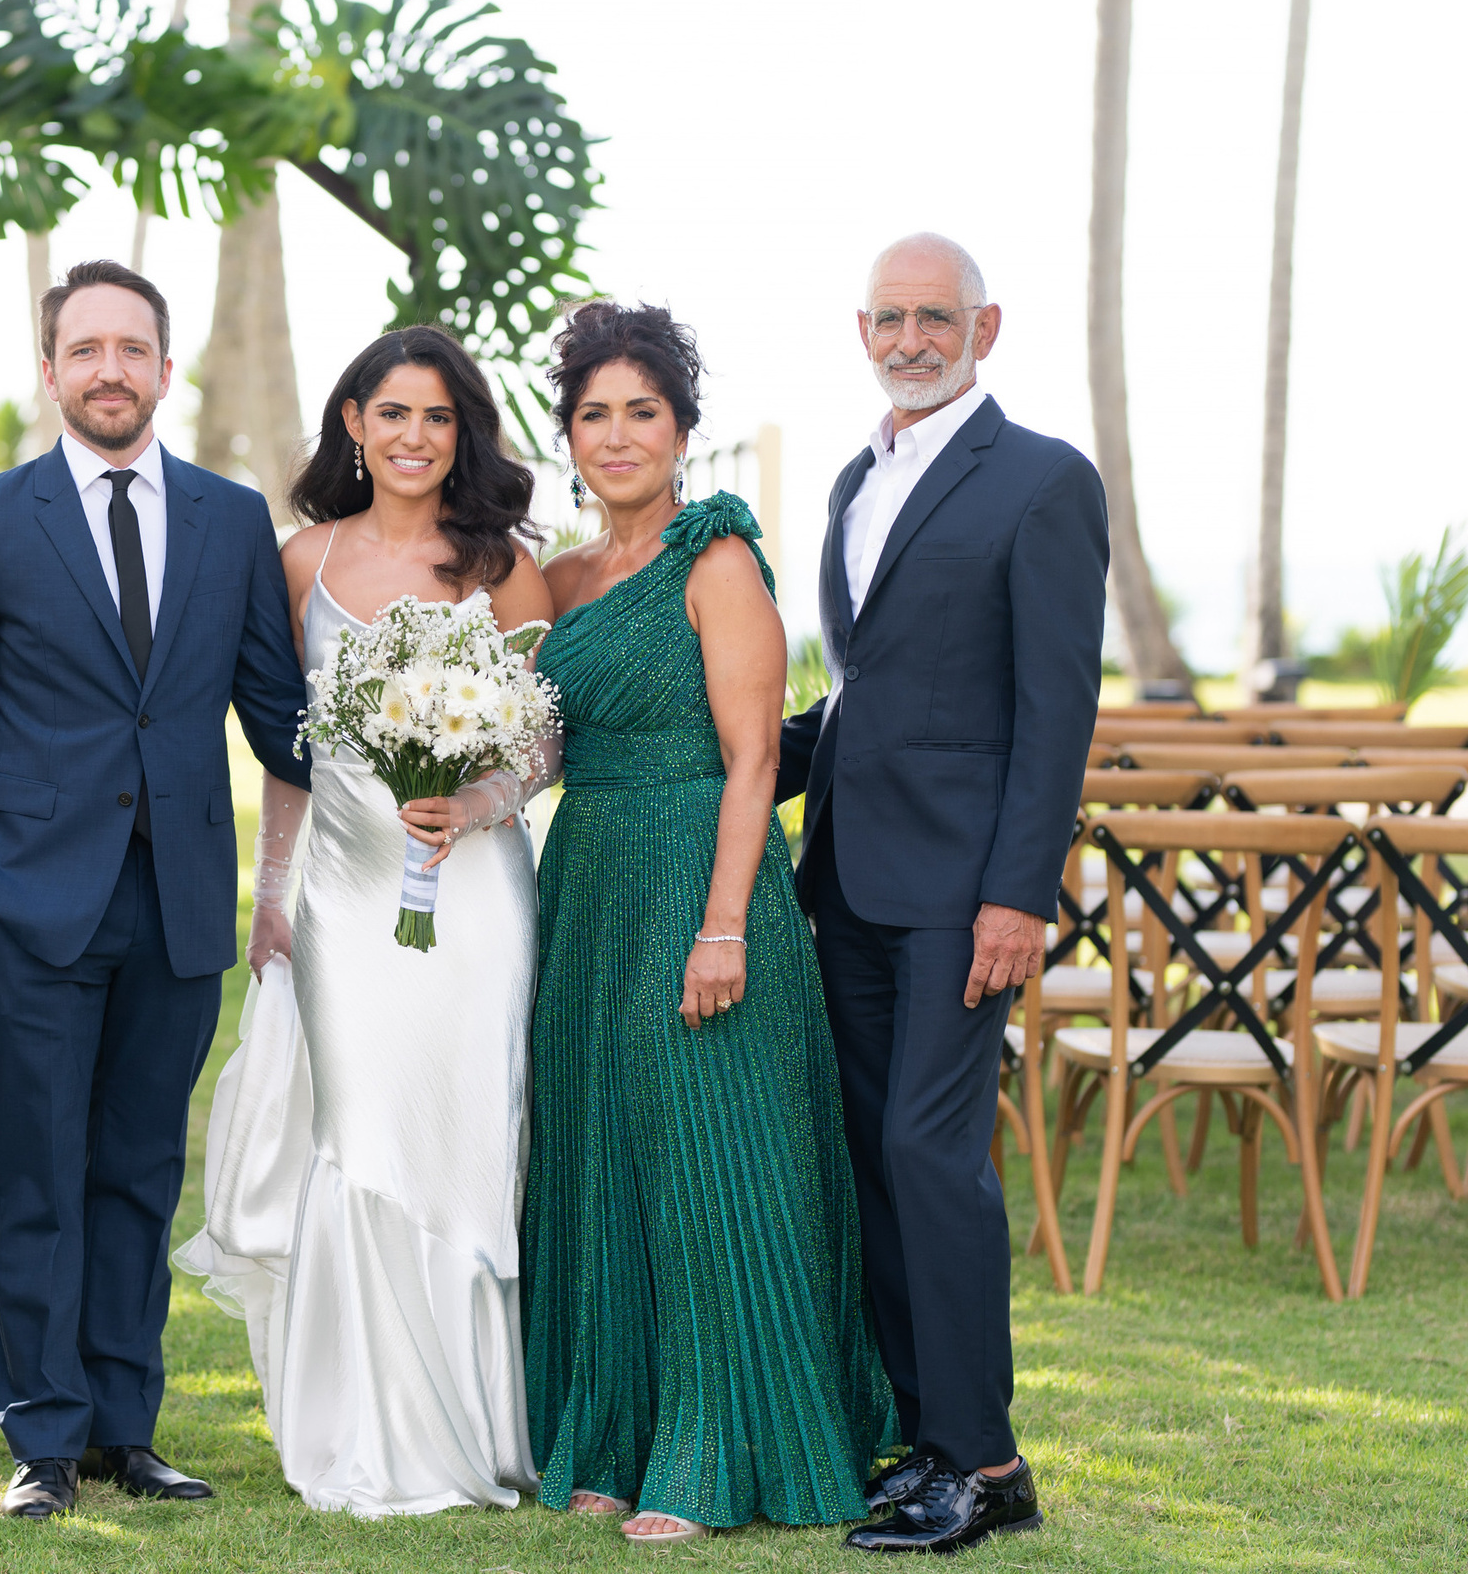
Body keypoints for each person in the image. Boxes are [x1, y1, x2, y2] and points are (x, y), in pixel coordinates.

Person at [0, 260, 313, 1520]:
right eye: (83, 349)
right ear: (51, 372)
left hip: (180, 900)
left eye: (130, 349)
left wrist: (422, 745)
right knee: (39, 1171)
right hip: (33, 900)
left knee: (142, 1172)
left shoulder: (228, 517)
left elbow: (277, 712)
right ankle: (42, 1439)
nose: (108, 370)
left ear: (160, 367)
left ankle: (123, 1430)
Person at [524, 300, 895, 1546]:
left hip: (702, 871)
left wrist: (725, 924)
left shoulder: (717, 560)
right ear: (566, 434)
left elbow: (752, 761)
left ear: (682, 430)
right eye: (594, 415)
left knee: (709, 1161)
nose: (617, 435)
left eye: (642, 412)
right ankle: (615, 1438)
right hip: (588, 880)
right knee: (604, 1155)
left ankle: (712, 1446)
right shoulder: (563, 579)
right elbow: (537, 751)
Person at [175, 326, 554, 1515]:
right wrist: (272, 894)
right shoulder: (300, 562)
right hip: (341, 901)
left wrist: (483, 799)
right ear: (353, 421)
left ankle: (479, 1424)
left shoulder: (503, 565)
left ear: (463, 434)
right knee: (361, 1134)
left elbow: (542, 737)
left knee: (469, 1132)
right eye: (392, 413)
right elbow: (288, 754)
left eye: (438, 418)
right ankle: (360, 1428)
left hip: (477, 897)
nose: (414, 438)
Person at [778, 234, 1106, 1554]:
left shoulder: (1042, 482)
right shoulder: (859, 477)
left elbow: (1056, 711)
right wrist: (725, 761)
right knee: (878, 1161)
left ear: (987, 324)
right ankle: (925, 1440)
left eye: (937, 316)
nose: (913, 337)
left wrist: (1018, 894)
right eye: (891, 318)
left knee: (932, 1151)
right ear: (864, 329)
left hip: (966, 894)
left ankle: (988, 1460)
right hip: (851, 880)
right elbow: (861, 700)